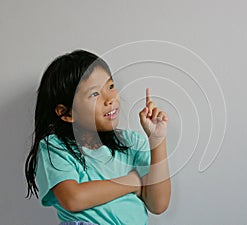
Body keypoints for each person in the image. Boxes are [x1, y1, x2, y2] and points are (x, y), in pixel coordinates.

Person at [24, 50, 171, 225]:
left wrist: (157, 141)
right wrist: (132, 182)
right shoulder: (55, 147)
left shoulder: (131, 142)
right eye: (94, 94)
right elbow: (73, 198)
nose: (110, 99)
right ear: (66, 113)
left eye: (110, 86)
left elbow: (158, 205)